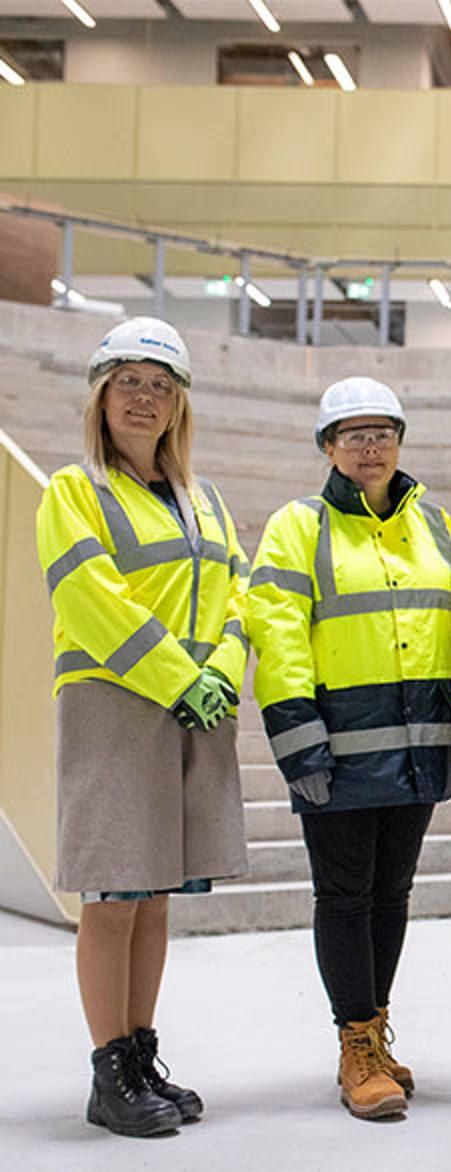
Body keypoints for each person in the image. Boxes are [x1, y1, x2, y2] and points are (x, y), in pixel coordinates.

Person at [36, 317, 249, 1138]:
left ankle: (140, 1053)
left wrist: (221, 672)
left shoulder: (205, 499)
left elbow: (237, 598)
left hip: (194, 705)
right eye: (130, 381)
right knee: (114, 895)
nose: (145, 398)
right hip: (117, 707)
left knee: (155, 894)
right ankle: (108, 1071)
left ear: (178, 406)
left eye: (161, 386)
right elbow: (92, 600)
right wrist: (178, 677)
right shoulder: (74, 490)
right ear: (101, 394)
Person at [247, 378, 451, 1121]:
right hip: (337, 748)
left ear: (400, 440)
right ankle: (355, 1047)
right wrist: (300, 744)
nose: (369, 448)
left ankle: (372, 1029)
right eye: (352, 434)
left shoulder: (434, 524)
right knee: (345, 895)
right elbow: (275, 637)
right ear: (326, 446)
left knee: (391, 896)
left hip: (417, 745)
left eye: (381, 432)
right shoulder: (296, 527)